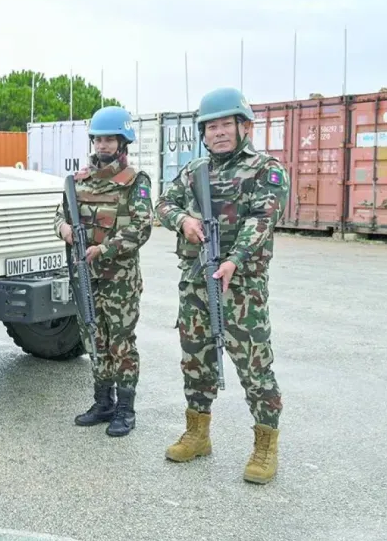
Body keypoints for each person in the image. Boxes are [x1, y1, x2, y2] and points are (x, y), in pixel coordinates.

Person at [155, 87, 288, 484]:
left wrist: (234, 260)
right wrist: (184, 221)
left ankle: (265, 446)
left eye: (225, 124)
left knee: (255, 367)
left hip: (241, 288)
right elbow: (163, 203)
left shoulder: (266, 169)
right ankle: (198, 434)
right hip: (196, 283)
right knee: (195, 360)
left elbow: (262, 219)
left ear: (243, 126)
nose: (218, 133)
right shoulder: (195, 169)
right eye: (210, 126)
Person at [55, 106, 153, 437]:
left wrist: (105, 249)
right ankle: (103, 402)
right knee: (93, 336)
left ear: (123, 142)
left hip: (120, 279)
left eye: (110, 139)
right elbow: (58, 216)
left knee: (121, 341)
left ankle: (125, 408)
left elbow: (141, 227)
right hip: (86, 276)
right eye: (98, 139)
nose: (103, 145)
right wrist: (65, 230)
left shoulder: (134, 182)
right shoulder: (78, 182)